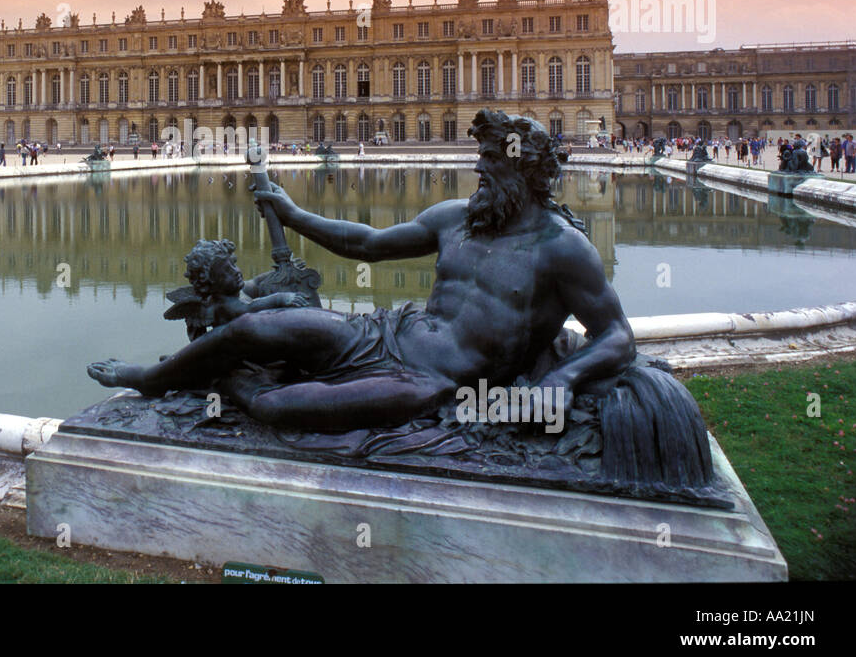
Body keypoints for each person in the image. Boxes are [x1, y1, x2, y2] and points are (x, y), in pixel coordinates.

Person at [89, 109, 634, 432]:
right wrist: (294, 214)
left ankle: (226, 380)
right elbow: (368, 244)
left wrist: (563, 379)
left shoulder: (563, 248)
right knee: (253, 328)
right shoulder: (458, 219)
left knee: (278, 407)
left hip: (432, 380)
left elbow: (616, 335)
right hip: (384, 334)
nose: (477, 170)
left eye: (489, 163)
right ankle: (152, 378)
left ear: (521, 171)